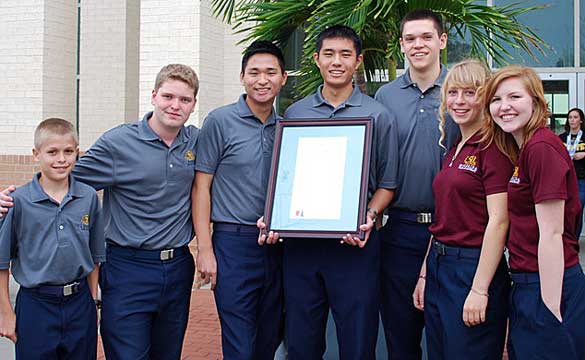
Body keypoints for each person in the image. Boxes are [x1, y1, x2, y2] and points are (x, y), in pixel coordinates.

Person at [0, 64, 199, 359]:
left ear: (194, 104)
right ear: (154, 96)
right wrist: (14, 195)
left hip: (178, 266)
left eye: (185, 100)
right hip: (128, 266)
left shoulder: (196, 141)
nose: (175, 105)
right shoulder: (119, 142)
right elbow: (63, 173)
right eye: (168, 96)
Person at [261, 24, 398, 359]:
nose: (337, 62)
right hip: (302, 247)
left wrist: (368, 215)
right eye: (329, 54)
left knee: (357, 341)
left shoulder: (379, 115)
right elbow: (286, 179)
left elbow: (388, 184)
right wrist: (275, 215)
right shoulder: (295, 114)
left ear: (358, 61)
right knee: (303, 343)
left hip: (355, 246)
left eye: (346, 55)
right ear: (316, 59)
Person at [193, 40, 287, 360]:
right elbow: (201, 187)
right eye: (254, 72)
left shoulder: (288, 127)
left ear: (283, 78)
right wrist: (205, 250)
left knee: (271, 334)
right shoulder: (219, 121)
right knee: (239, 339)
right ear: (242, 77)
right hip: (233, 243)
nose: (262, 80)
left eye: (271, 72)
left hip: (279, 244)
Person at [411, 60, 511, 359]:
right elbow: (443, 216)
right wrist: (425, 274)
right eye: (453, 92)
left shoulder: (492, 147)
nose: (459, 101)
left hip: (472, 268)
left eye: (470, 92)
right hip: (440, 267)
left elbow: (499, 222)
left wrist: (480, 290)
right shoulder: (454, 146)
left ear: (485, 97)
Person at [374, 9, 459, 358]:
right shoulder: (385, 97)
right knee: (401, 337)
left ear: (442, 41)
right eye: (410, 39)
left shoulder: (462, 93)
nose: (418, 45)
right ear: (401, 45)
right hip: (400, 231)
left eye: (426, 37)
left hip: (455, 232)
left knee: (449, 336)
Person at [485, 65, 585, 359]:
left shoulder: (541, 147)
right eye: (496, 99)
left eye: (515, 97)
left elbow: (552, 234)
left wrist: (550, 309)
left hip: (549, 285)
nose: (504, 107)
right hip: (528, 283)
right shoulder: (525, 149)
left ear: (537, 103)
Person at [0, 118, 105, 359]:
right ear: (36, 154)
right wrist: (5, 312)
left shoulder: (88, 197)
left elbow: (95, 256)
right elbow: (2, 261)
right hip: (36, 305)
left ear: (77, 153)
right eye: (52, 152)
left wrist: (92, 302)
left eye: (68, 152)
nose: (61, 159)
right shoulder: (19, 201)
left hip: (79, 303)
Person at [559, 107, 585, 238]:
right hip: (565, 178)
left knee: (578, 207)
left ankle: (574, 238)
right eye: (570, 117)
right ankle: (566, 237)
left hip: (581, 179)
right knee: (566, 209)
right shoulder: (562, 137)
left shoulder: (584, 136)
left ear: (581, 120)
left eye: (575, 117)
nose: (572, 120)